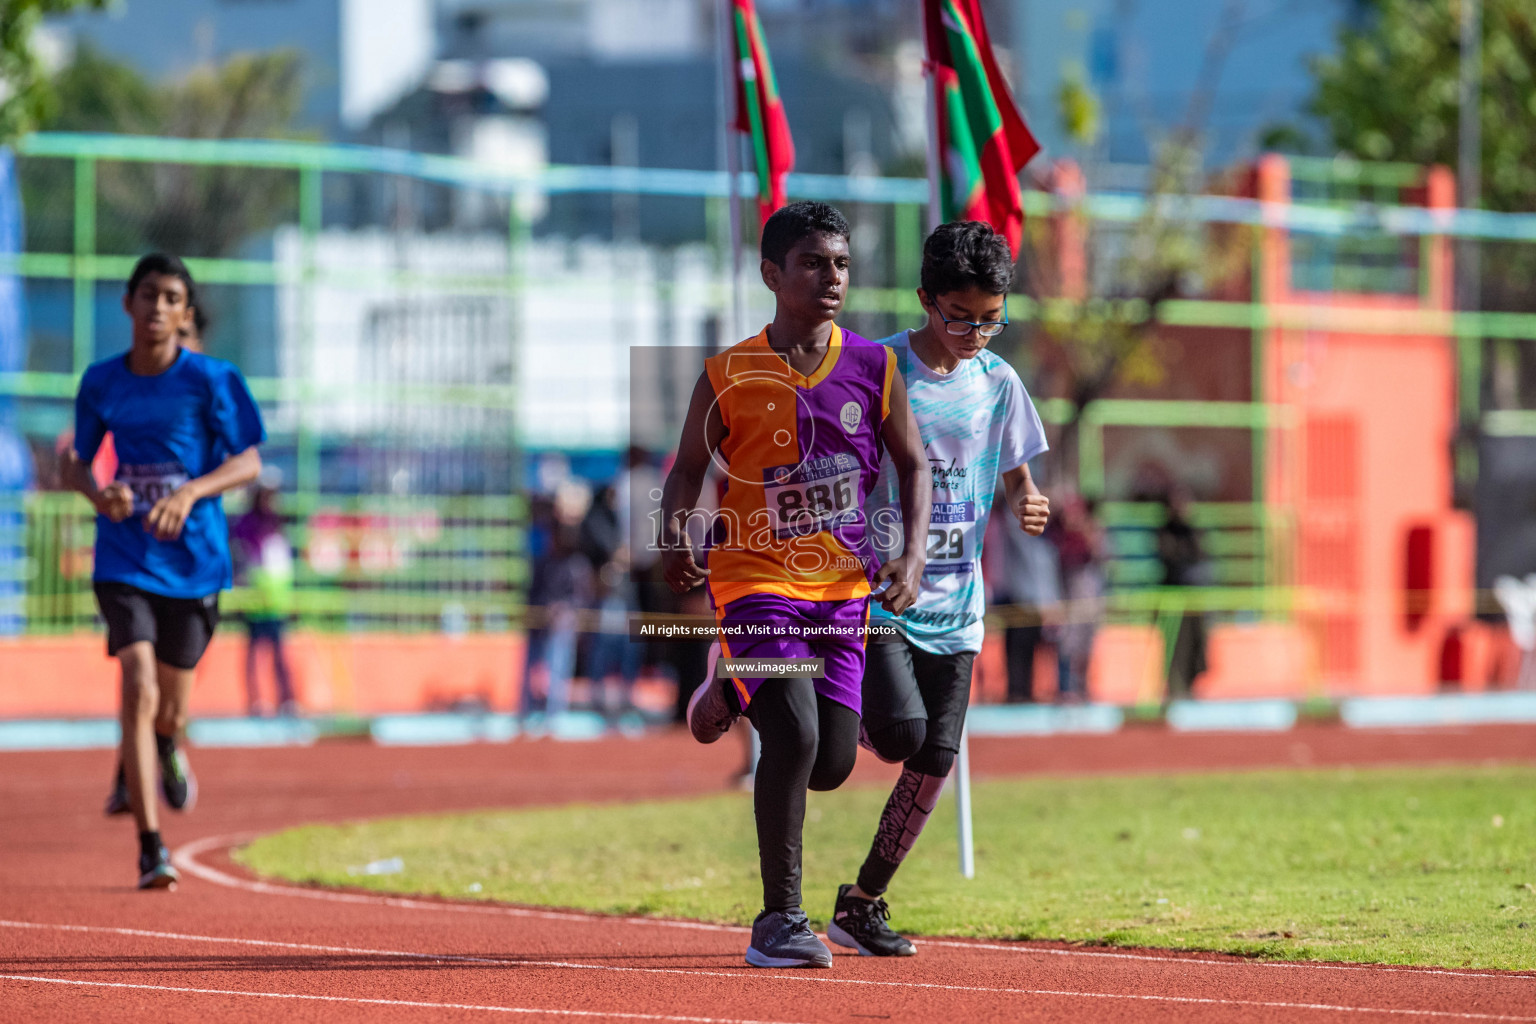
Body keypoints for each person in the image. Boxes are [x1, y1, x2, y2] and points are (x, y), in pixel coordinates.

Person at [661, 201, 929, 969]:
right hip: (753, 580)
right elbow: (685, 470)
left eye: (841, 263)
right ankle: (779, 920)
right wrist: (678, 534)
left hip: (843, 591)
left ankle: (726, 689)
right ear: (773, 275)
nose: (832, 277)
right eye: (814, 263)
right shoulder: (729, 374)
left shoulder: (874, 367)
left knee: (833, 764)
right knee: (796, 735)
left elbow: (912, 466)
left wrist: (908, 558)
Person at [830, 221, 1049, 957]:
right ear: (925, 299)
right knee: (898, 737)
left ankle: (863, 901)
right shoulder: (880, 368)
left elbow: (1013, 462)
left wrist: (1026, 497)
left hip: (959, 605)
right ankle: (837, 701)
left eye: (992, 319)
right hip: (880, 593)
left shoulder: (999, 383)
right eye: (960, 317)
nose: (976, 333)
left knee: (935, 760)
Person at [63, 253, 265, 889]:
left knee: (170, 710)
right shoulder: (101, 382)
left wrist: (192, 493)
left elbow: (249, 463)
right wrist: (100, 495)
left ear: (185, 313)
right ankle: (152, 846)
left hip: (196, 565)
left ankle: (163, 747)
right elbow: (76, 461)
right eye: (147, 295)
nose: (156, 308)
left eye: (170, 298)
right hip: (124, 557)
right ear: (128, 304)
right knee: (138, 682)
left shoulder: (211, 379)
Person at [231, 472, 297, 716]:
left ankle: (286, 699)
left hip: (276, 600)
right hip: (255, 600)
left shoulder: (277, 523)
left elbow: (282, 565)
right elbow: (243, 559)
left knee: (279, 653)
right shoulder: (247, 524)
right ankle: (257, 700)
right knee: (255, 653)